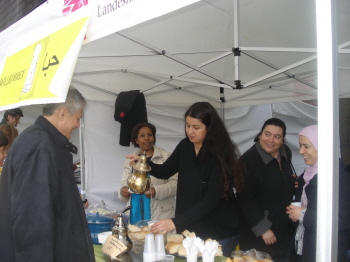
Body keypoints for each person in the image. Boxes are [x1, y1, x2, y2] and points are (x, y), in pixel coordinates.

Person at [127, 102, 244, 257]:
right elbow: (164, 171)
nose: (190, 131)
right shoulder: (185, 146)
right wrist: (143, 162)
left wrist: (175, 222)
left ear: (209, 128)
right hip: (191, 227)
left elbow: (211, 200)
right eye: (187, 126)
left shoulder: (219, 155)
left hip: (218, 229)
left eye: (196, 127)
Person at [0, 87, 95, 261]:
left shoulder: (42, 141)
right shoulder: (39, 146)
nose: (78, 125)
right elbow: (32, 221)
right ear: (63, 113)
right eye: (78, 118)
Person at [286, 125, 350, 262]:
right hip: (306, 249)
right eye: (300, 145)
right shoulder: (307, 175)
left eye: (306, 146)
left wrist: (303, 215)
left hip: (327, 252)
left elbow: (342, 221)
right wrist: (296, 214)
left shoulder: (339, 177)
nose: (301, 151)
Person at [237, 118, 295, 262]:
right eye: (267, 134)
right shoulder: (247, 161)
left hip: (283, 228)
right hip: (259, 234)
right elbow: (244, 200)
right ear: (260, 135)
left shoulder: (286, 153)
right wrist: (262, 228)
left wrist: (293, 182)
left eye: (277, 137)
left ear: (282, 140)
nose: (271, 140)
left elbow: (280, 179)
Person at [118, 123, 178, 227]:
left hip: (159, 214)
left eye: (150, 135)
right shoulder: (131, 159)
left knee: (158, 241)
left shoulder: (166, 157)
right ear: (136, 140)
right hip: (134, 213)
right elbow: (124, 183)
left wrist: (157, 191)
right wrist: (123, 191)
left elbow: (176, 184)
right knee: (136, 239)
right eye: (142, 135)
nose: (147, 138)